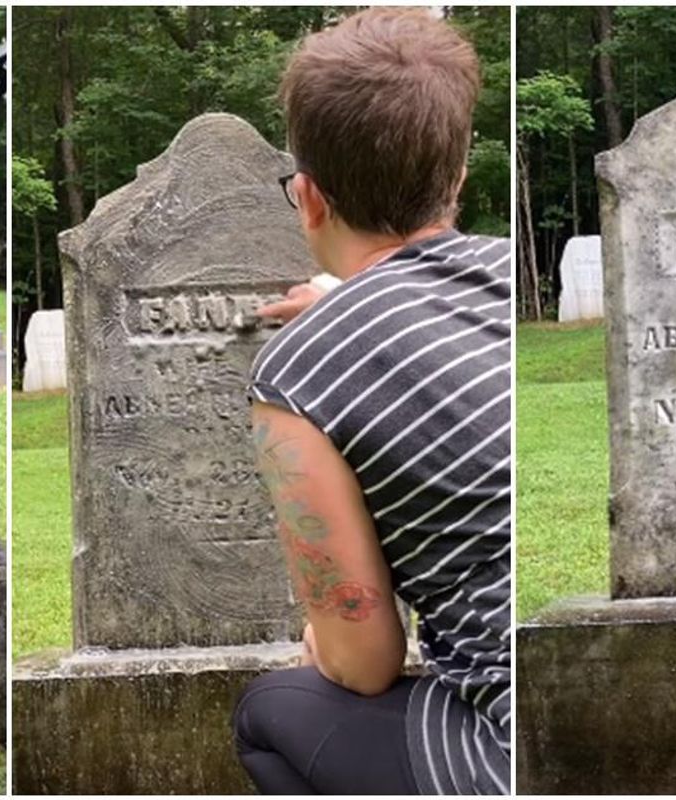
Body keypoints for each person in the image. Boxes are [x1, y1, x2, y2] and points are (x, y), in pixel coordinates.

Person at [231, 7, 511, 795]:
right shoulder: (505, 275)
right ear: (457, 179)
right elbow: (416, 299)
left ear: (308, 198)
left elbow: (365, 663)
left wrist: (328, 640)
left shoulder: (295, 376)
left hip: (512, 753)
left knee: (270, 712)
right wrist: (344, 305)